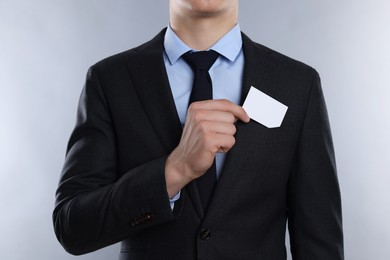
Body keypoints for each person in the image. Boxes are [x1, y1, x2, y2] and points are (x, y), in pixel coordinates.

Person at [53, 1, 344, 259]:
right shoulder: (110, 80)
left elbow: (320, 242)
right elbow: (72, 227)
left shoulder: (296, 84)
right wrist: (175, 171)